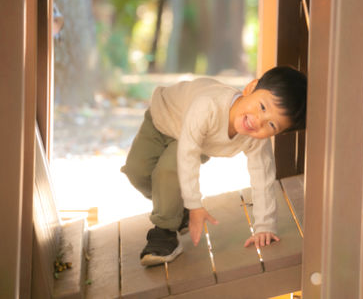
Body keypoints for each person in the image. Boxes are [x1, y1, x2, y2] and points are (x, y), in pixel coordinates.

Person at [121, 66, 307, 267]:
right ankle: (176, 210)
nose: (258, 121)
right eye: (262, 107)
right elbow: (187, 152)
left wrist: (265, 226)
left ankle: (164, 234)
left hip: (194, 142)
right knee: (136, 171)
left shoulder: (256, 140)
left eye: (272, 125)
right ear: (251, 88)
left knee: (168, 173)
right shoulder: (209, 105)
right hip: (163, 119)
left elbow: (263, 177)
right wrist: (193, 206)